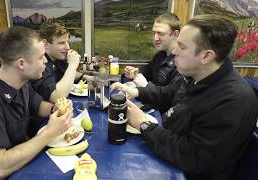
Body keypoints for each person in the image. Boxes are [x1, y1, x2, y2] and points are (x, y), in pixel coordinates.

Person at [111, 14, 258, 180]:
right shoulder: (196, 75)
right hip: (170, 147)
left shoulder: (234, 101)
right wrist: (137, 92)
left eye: (182, 46)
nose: (174, 51)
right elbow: (168, 94)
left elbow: (193, 156)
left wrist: (143, 124)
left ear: (206, 56)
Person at [0, 26, 73, 180]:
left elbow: (39, 105)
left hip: (23, 165)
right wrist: (49, 133)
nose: (46, 61)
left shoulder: (21, 82)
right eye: (41, 57)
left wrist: (56, 109)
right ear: (21, 63)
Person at [30, 22, 90, 103]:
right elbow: (56, 98)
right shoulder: (40, 64)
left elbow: (69, 73)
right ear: (46, 44)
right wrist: (72, 65)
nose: (68, 47)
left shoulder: (58, 57)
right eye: (61, 43)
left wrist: (88, 78)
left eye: (67, 42)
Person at [124, 12, 181, 88]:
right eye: (154, 33)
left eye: (160, 33)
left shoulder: (181, 63)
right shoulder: (160, 55)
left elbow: (169, 96)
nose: (155, 38)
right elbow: (146, 72)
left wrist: (146, 86)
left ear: (175, 34)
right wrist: (134, 72)